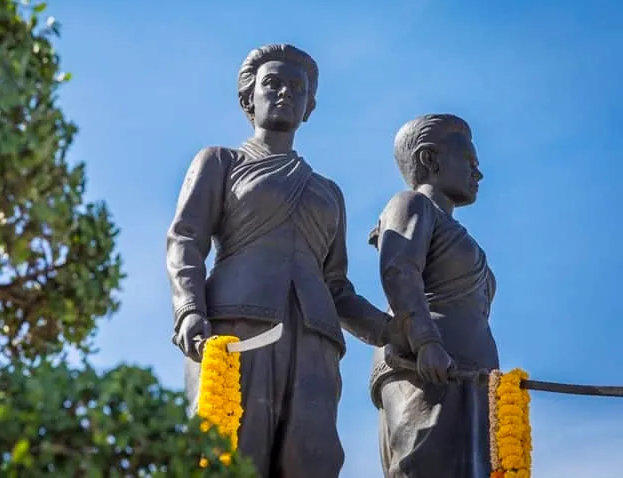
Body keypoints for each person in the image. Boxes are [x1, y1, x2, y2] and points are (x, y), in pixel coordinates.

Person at [166, 43, 395, 478]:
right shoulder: (221, 161)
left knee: (311, 459)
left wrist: (390, 331)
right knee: (233, 452)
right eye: (272, 83)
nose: (285, 92)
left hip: (314, 339)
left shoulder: (328, 192)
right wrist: (188, 309)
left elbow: (337, 287)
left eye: (297, 87)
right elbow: (185, 238)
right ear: (247, 97)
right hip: (237, 327)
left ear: (310, 106)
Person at [367, 114, 498, 478]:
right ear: (430, 159)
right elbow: (399, 270)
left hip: (471, 375)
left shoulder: (453, 227)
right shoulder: (411, 204)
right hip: (426, 368)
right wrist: (425, 342)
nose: (479, 173)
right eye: (470, 162)